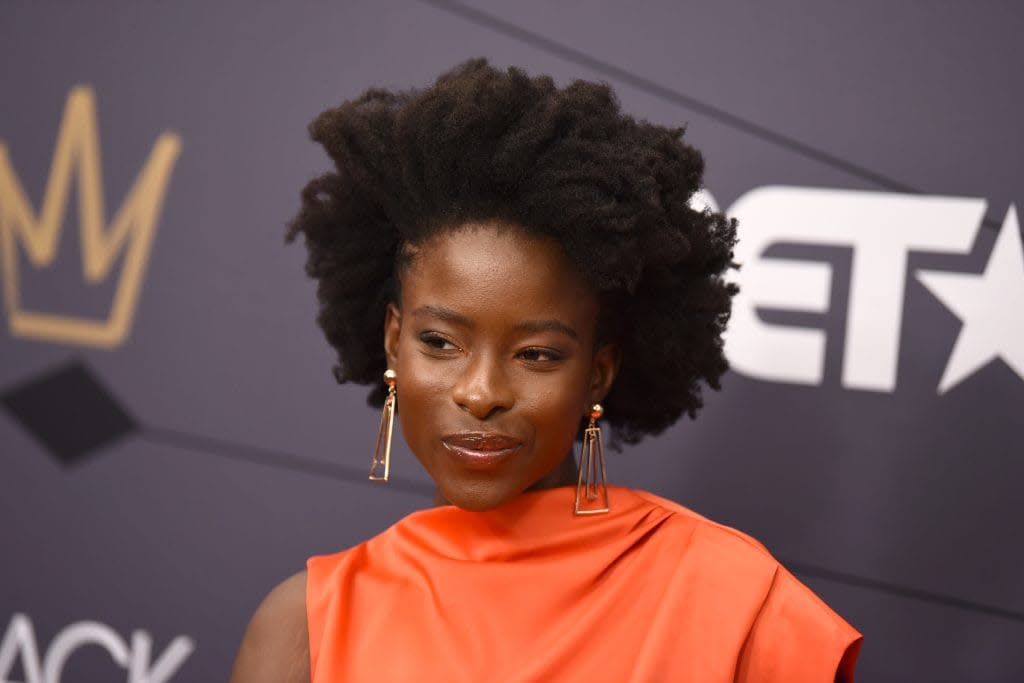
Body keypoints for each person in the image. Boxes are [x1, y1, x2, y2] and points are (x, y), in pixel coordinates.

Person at [229, 59, 862, 682]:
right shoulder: (303, 629)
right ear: (394, 342)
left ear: (598, 372)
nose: (480, 394)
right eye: (441, 342)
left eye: (536, 354)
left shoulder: (734, 602)